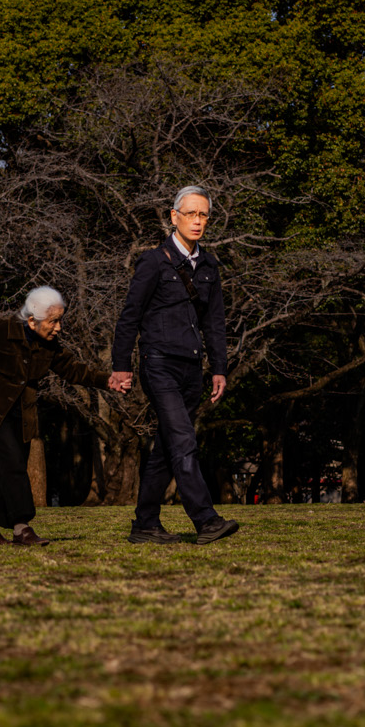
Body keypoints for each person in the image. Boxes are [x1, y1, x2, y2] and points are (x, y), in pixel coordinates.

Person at [109, 185, 241, 546]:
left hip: (192, 370)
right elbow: (129, 316)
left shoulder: (210, 266)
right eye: (191, 214)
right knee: (184, 440)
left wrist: (219, 368)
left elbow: (215, 322)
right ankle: (206, 519)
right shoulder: (154, 261)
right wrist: (121, 366)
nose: (198, 222)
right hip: (159, 365)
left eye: (204, 215)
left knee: (168, 448)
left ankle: (145, 525)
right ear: (174, 217)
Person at [0, 286, 117, 547]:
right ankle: (22, 527)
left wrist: (108, 381)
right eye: (53, 321)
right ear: (31, 320)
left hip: (24, 414)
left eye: (60, 320)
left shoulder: (49, 345)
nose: (58, 328)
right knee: (15, 466)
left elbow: (73, 370)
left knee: (11, 470)